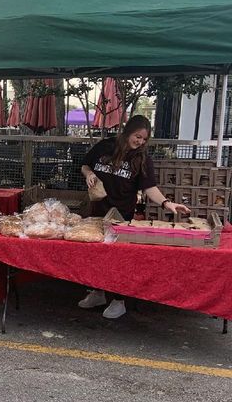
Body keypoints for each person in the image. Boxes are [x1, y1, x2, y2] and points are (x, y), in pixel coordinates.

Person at [79, 115, 190, 319]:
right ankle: (97, 292)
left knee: (116, 260)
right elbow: (85, 165)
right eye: (137, 136)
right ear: (127, 131)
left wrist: (167, 203)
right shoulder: (105, 146)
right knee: (95, 255)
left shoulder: (142, 159)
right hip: (97, 210)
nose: (140, 142)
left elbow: (150, 188)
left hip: (121, 215)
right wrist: (89, 174)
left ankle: (118, 300)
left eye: (144, 139)